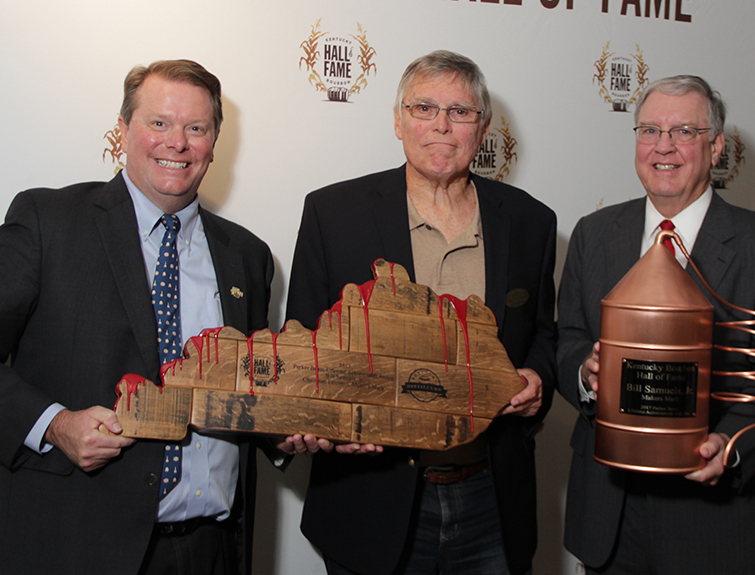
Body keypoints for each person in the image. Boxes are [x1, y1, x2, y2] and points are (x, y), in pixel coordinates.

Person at [0, 59, 286, 575]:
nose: (177, 142)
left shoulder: (248, 254)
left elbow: (250, 391)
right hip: (77, 545)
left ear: (214, 142)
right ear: (123, 128)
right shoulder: (48, 222)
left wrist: (288, 433)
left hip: (212, 549)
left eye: (196, 128)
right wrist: (53, 424)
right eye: (159, 123)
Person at [286, 50, 557, 575]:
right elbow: (300, 343)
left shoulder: (530, 221)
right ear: (397, 120)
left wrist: (538, 376)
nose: (442, 126)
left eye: (461, 112)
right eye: (424, 108)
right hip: (370, 502)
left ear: (483, 128)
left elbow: (544, 334)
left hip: (491, 498)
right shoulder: (332, 213)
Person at [557, 75, 755, 575]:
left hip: (715, 525)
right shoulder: (594, 233)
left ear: (715, 148)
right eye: (649, 130)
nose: (663, 146)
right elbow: (568, 339)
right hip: (607, 516)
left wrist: (733, 447)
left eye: (684, 131)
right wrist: (585, 371)